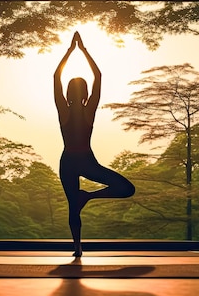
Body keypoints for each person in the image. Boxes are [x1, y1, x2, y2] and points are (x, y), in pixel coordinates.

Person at [54, 32, 135, 257]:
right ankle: (77, 246)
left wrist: (71, 51)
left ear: (69, 93)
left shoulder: (65, 111)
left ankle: (85, 202)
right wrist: (82, 50)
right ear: (86, 93)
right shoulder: (86, 111)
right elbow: (97, 75)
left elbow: (56, 77)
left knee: (77, 203)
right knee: (78, 204)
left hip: (74, 160)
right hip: (79, 161)